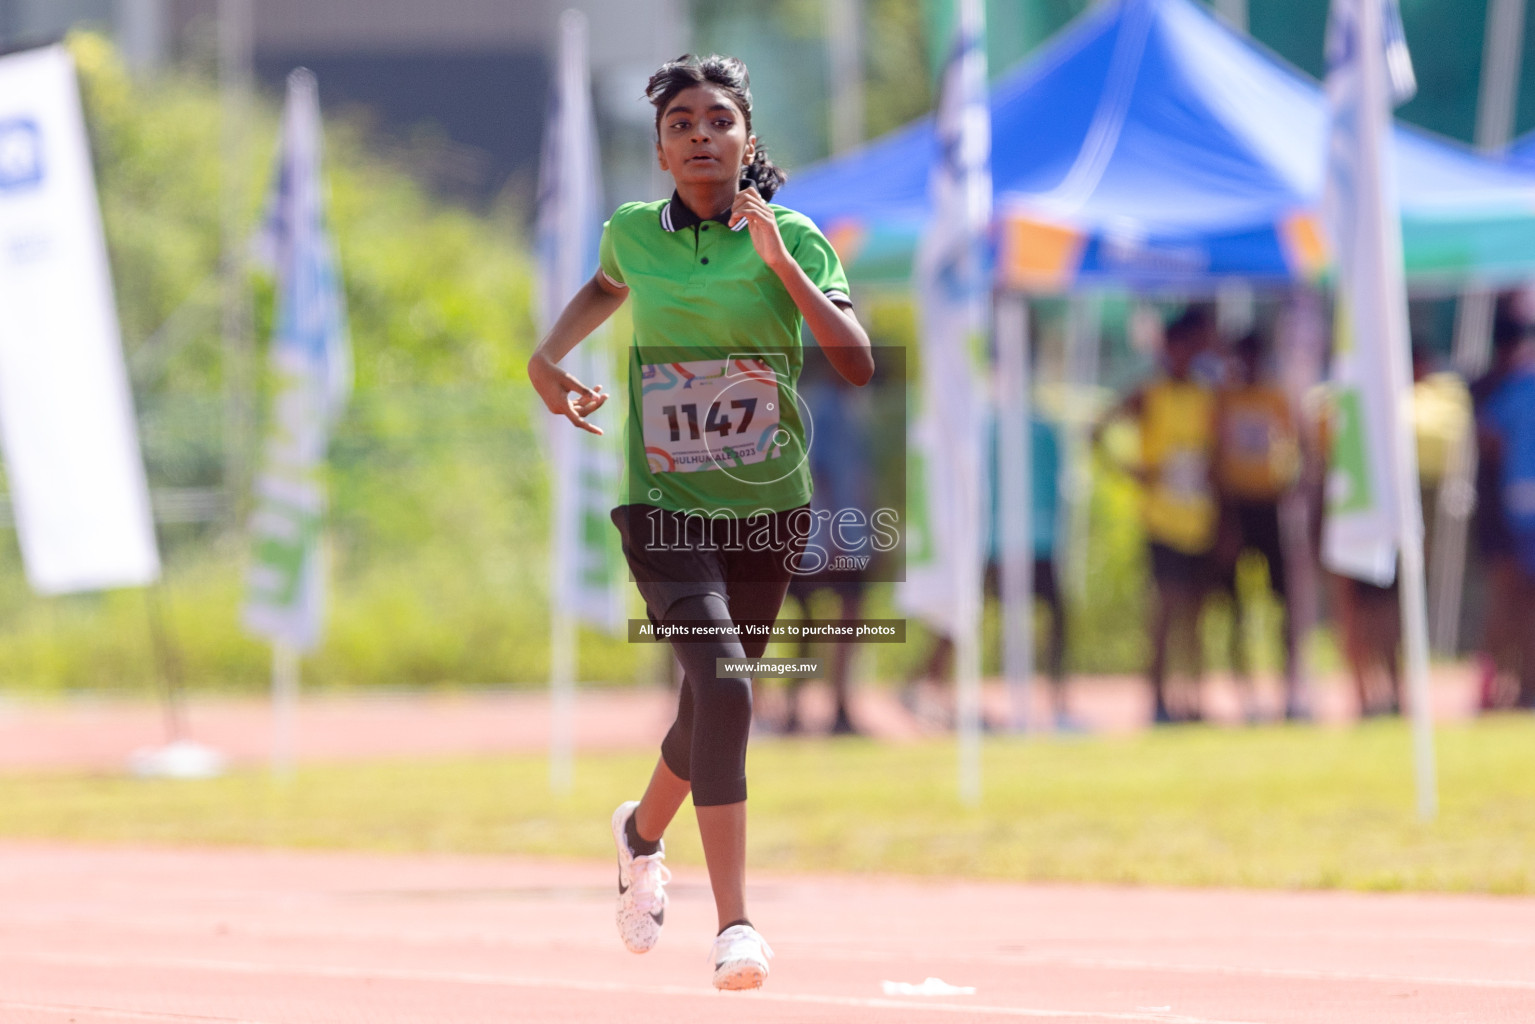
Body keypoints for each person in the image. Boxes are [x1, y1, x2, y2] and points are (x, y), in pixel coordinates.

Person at [526, 54, 872, 991]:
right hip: (665, 503)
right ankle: (738, 925)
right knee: (727, 694)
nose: (699, 135)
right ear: (660, 148)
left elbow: (855, 361)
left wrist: (778, 267)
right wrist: (548, 357)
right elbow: (605, 285)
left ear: (744, 139)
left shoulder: (794, 235)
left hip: (766, 505)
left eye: (717, 120)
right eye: (680, 123)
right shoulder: (633, 233)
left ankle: (640, 832)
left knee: (706, 704)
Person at [902, 412, 1075, 731]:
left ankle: (1057, 700)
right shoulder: (997, 426)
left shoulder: (1011, 427)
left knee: (969, 616)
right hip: (1001, 540)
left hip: (1014, 538)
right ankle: (925, 683)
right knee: (965, 616)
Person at [1095, 308, 1219, 724]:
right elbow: (1098, 431)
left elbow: (1213, 457)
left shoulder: (1205, 394)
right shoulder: (1149, 393)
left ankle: (1192, 699)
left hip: (1199, 519)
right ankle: (1158, 701)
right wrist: (1131, 473)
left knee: (1195, 614)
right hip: (1162, 520)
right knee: (1165, 611)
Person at [1212, 330, 1305, 721]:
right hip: (1234, 507)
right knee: (1235, 606)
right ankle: (1244, 693)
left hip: (1268, 506)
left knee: (1282, 603)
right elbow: (1213, 454)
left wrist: (1290, 487)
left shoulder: (1275, 398)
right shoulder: (1224, 400)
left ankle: (1289, 690)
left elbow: (1297, 449)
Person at [1470, 300, 1532, 710]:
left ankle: (1514, 684)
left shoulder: (1508, 385)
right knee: (1512, 601)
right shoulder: (1506, 386)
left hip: (1511, 502)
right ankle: (1501, 685)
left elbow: (1487, 437)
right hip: (1511, 506)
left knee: (1514, 602)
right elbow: (1488, 437)